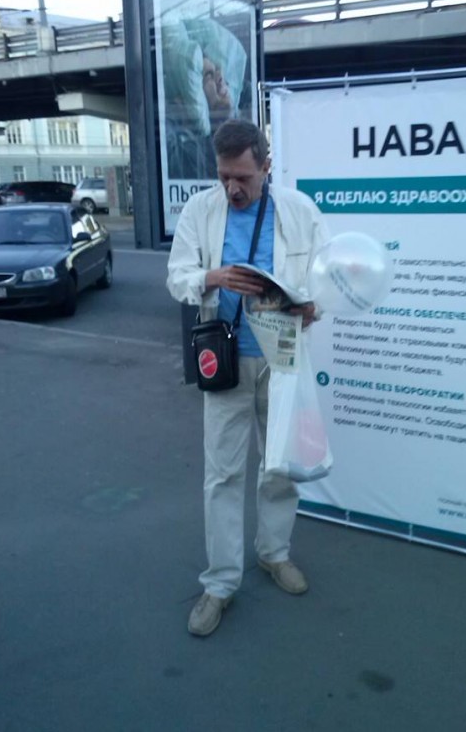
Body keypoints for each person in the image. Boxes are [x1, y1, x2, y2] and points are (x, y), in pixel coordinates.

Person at [166, 119, 329, 636]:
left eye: (243, 177)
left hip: (284, 360)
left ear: (266, 166)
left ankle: (274, 553)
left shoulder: (299, 211)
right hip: (227, 361)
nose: (233, 188)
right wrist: (210, 277)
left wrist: (313, 306)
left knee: (279, 468)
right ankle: (219, 582)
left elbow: (324, 276)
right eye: (224, 177)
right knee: (223, 475)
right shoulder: (201, 210)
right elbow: (177, 277)